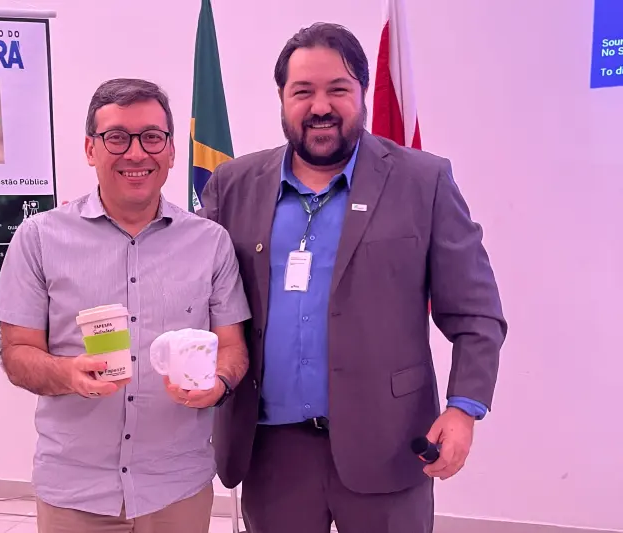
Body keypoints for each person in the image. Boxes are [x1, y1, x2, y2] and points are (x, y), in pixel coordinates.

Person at [200, 23, 507, 533]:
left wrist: (463, 408)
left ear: (362, 92)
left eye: (338, 89)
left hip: (390, 445)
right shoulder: (233, 185)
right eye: (303, 91)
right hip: (271, 452)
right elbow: (202, 299)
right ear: (282, 98)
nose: (320, 106)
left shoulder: (422, 181)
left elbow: (476, 312)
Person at [0, 78, 251, 533]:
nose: (135, 153)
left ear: (172, 150)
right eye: (116, 138)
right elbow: (16, 353)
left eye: (152, 137)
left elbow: (232, 346)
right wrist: (67, 374)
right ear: (90, 149)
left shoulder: (211, 242)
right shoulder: (39, 238)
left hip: (177, 488)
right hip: (76, 492)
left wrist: (220, 384)